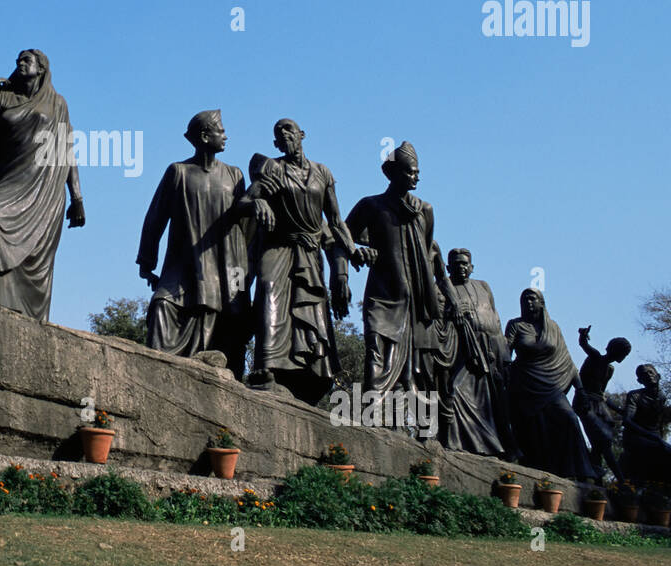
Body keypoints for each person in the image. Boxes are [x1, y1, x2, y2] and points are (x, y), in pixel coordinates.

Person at [0, 49, 85, 320]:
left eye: (26, 60)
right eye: (17, 60)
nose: (19, 63)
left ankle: (26, 315)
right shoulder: (4, 97)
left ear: (41, 68)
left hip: (44, 191)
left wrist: (77, 198)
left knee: (35, 256)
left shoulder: (58, 104)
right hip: (11, 178)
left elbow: (66, 150)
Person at [342, 141, 454, 427]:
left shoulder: (425, 210)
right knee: (375, 349)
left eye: (418, 173)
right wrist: (358, 251)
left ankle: (403, 428)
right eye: (411, 172)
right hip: (382, 293)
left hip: (414, 300)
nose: (417, 177)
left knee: (412, 370)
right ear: (393, 174)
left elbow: (426, 252)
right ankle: (370, 421)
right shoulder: (372, 205)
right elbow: (340, 232)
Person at [244, 119, 354, 403]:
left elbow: (336, 221)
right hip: (279, 246)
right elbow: (243, 202)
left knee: (310, 313)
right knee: (268, 290)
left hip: (310, 253)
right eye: (279, 134)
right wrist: (258, 202)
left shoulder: (322, 173)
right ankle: (265, 367)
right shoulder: (272, 168)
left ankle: (310, 374)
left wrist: (348, 259)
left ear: (302, 135)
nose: (284, 134)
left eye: (289, 129)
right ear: (276, 144)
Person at [137, 110, 253, 374]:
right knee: (162, 306)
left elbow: (246, 226)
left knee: (227, 321)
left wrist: (242, 275)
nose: (226, 136)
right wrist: (146, 262)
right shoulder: (178, 172)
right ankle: (157, 374)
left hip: (225, 265)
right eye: (220, 131)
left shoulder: (234, 175)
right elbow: (155, 217)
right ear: (204, 136)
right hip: (185, 263)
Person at [504, 289, 597, 480]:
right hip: (524, 385)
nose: (528, 302)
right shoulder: (516, 325)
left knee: (569, 418)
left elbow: (567, 360)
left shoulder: (553, 327)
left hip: (552, 385)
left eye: (532, 299)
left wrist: (580, 389)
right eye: (524, 299)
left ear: (541, 303)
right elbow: (506, 351)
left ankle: (579, 473)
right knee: (532, 430)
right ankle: (538, 470)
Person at [438, 248, 508, 456]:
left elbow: (496, 317)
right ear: (448, 267)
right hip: (461, 348)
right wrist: (453, 312)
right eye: (456, 263)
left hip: (491, 349)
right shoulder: (442, 286)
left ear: (472, 267)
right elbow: (435, 314)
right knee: (455, 391)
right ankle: (456, 442)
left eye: (464, 263)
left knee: (490, 401)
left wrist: (503, 350)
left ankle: (490, 446)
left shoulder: (483, 286)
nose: (461, 266)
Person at [622, 364, 671, 499]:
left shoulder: (661, 397)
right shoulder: (635, 396)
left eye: (651, 372)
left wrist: (657, 437)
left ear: (658, 376)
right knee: (667, 452)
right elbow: (627, 421)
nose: (648, 375)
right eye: (644, 374)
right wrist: (652, 436)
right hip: (636, 438)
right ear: (640, 381)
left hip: (654, 439)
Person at [575, 326, 631, 481]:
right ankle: (621, 480)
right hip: (585, 403)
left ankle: (594, 479)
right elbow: (584, 345)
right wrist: (583, 335)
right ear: (615, 350)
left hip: (599, 405)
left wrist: (619, 410)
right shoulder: (595, 357)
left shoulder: (610, 369)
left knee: (598, 444)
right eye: (624, 353)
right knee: (604, 440)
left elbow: (602, 394)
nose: (624, 357)